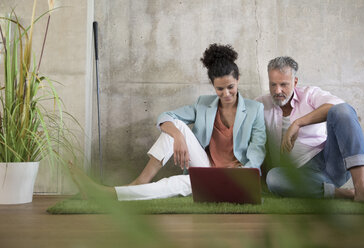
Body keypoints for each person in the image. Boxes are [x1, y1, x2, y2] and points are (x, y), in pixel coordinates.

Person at [69, 44, 266, 201]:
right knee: (176, 125)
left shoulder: (254, 109)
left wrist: (242, 172)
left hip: (235, 179)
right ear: (213, 86)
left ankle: (112, 193)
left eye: (230, 87)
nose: (226, 94)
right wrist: (178, 136)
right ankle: (139, 182)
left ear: (238, 79)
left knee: (178, 183)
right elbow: (165, 116)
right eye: (219, 89)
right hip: (206, 170)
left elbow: (257, 150)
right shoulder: (203, 104)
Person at [257, 56, 364, 203]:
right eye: (273, 85)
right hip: (297, 176)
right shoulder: (260, 105)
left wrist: (298, 123)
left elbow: (340, 108)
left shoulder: (310, 94)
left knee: (342, 111)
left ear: (294, 82)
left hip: (330, 163)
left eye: (283, 84)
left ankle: (362, 187)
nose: (278, 91)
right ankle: (349, 193)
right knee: (273, 178)